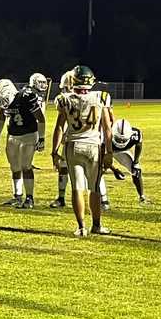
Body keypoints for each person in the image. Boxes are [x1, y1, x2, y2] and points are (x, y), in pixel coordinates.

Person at [50, 65, 114, 237]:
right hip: (93, 146)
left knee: (77, 187)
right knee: (94, 188)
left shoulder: (64, 99)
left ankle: (81, 227)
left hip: (73, 146)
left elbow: (59, 128)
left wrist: (54, 152)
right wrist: (109, 152)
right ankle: (97, 225)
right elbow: (107, 129)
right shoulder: (101, 97)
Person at [0, 78, 45, 209]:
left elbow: (41, 118)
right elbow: (1, 119)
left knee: (26, 166)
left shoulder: (26, 96)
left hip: (28, 134)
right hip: (12, 135)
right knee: (14, 167)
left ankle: (29, 197)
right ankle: (17, 196)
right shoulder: (3, 101)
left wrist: (41, 138)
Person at [100, 118, 150, 206]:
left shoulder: (136, 134)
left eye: (123, 140)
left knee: (136, 170)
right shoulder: (105, 135)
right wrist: (114, 169)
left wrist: (136, 162)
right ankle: (103, 200)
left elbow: (138, 145)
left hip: (122, 152)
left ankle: (142, 197)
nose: (121, 142)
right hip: (108, 151)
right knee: (98, 170)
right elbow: (102, 156)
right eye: (118, 139)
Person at [48, 70, 75, 208]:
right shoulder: (95, 97)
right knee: (93, 171)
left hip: (73, 140)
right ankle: (104, 200)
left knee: (64, 168)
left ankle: (61, 197)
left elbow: (60, 125)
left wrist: (54, 151)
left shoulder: (63, 99)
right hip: (92, 140)